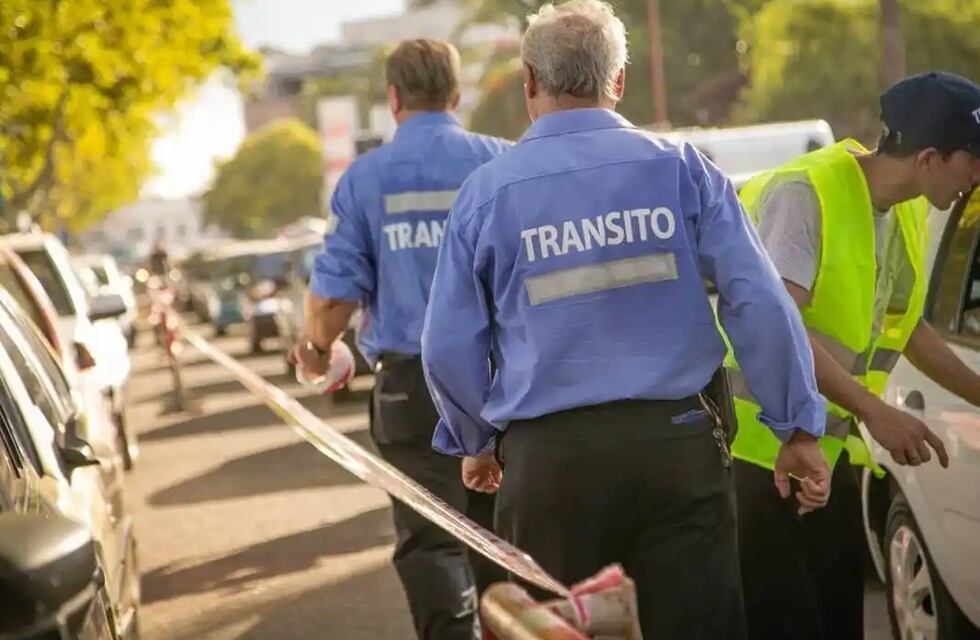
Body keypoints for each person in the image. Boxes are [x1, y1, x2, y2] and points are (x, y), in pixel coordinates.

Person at [420, 1, 831, 638]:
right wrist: (797, 427)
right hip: (678, 445)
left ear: (530, 81)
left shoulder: (487, 193)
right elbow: (759, 301)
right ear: (619, 82)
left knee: (558, 631)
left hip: (549, 464)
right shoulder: (682, 169)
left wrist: (475, 438)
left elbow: (447, 343)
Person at [730, 71, 980, 640]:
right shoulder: (805, 194)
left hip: (824, 448)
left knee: (837, 619)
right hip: (757, 456)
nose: (976, 176)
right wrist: (876, 411)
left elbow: (909, 329)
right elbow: (779, 323)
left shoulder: (908, 210)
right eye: (972, 160)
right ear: (929, 158)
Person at [289, 39, 511, 640]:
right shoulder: (501, 165)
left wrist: (315, 348)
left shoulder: (366, 181)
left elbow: (334, 299)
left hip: (411, 388)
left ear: (392, 99)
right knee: (508, 534)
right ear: (456, 94)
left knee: (431, 534)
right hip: (508, 379)